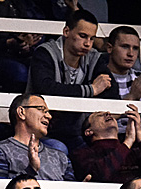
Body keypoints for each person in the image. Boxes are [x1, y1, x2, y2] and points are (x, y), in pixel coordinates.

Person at [26, 9, 118, 149]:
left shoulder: (94, 58)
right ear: (66, 31)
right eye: (83, 36)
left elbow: (112, 93)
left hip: (76, 131)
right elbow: (45, 88)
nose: (88, 43)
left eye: (92, 38)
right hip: (41, 130)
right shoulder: (45, 53)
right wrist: (91, 90)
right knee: (60, 148)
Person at [74, 105, 141, 185]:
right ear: (89, 132)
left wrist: (139, 134)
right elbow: (99, 176)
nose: (108, 113)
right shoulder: (82, 154)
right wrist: (128, 141)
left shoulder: (134, 151)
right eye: (99, 115)